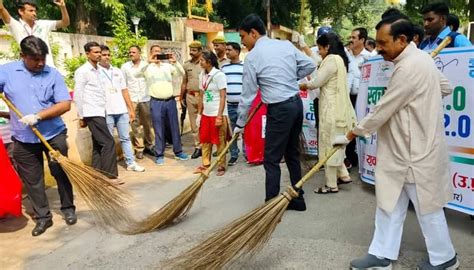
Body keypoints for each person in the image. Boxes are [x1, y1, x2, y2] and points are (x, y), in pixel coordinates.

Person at [344, 16, 458, 270]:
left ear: (402, 40)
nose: (379, 47)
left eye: (384, 43)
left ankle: (445, 258)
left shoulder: (411, 67)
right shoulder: (420, 61)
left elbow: (383, 109)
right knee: (389, 204)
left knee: (427, 209)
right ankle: (381, 255)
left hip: (414, 153)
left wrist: (352, 134)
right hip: (402, 150)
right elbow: (445, 87)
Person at [235, 14, 316, 210]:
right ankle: (298, 198)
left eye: (243, 36)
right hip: (296, 105)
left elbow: (247, 95)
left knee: (271, 158)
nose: (242, 41)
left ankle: (270, 204)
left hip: (279, 109)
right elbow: (311, 64)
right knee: (291, 153)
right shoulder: (285, 46)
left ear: (253, 33)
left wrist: (239, 124)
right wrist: (289, 77)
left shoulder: (253, 57)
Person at [0, 36, 76, 236]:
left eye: (42, 58)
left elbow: (64, 104)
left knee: (61, 172)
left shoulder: (53, 74)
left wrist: (38, 116)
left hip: (53, 134)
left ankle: (68, 208)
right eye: (35, 59)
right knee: (33, 180)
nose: (40, 63)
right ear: (22, 56)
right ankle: (43, 217)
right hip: (23, 138)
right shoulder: (6, 72)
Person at [300, 33, 356, 194]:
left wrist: (303, 86)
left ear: (327, 47)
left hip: (330, 110)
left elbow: (317, 82)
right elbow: (318, 62)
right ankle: (344, 175)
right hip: (338, 109)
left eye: (320, 49)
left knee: (328, 145)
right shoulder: (339, 60)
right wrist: (303, 46)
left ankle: (331, 184)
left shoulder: (331, 60)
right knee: (336, 143)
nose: (319, 52)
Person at [74, 41, 120, 181]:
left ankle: (97, 174)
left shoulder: (99, 70)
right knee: (108, 142)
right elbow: (78, 94)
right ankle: (109, 176)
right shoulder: (82, 71)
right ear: (87, 54)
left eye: (100, 52)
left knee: (98, 144)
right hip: (91, 112)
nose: (99, 55)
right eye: (96, 52)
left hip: (101, 110)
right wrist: (81, 115)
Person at [139, 44, 189, 165]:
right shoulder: (147, 67)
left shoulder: (167, 66)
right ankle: (159, 154)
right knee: (158, 128)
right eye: (155, 52)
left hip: (170, 100)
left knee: (174, 127)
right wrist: (148, 61)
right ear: (150, 53)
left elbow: (182, 73)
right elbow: (138, 74)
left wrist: (175, 62)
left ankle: (178, 152)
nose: (157, 54)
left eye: (159, 52)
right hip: (156, 101)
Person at [99, 45, 145, 173]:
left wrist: (130, 109)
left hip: (121, 110)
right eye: (104, 55)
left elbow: (125, 91)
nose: (106, 57)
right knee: (108, 141)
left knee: (125, 138)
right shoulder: (96, 72)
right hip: (107, 112)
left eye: (108, 55)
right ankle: (110, 166)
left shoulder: (117, 71)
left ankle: (131, 163)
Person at [0, 0, 70, 67]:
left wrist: (62, 7)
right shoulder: (16, 26)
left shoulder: (43, 24)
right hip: (30, 71)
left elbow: (65, 22)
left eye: (35, 11)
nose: (34, 13)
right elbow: (1, 9)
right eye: (31, 11)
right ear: (21, 11)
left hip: (48, 68)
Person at [194, 51, 229, 176]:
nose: (200, 62)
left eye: (202, 60)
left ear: (209, 61)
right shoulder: (202, 75)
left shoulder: (219, 75)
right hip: (206, 114)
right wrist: (199, 114)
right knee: (205, 139)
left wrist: (219, 116)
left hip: (217, 113)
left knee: (220, 141)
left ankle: (221, 165)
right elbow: (202, 96)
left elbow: (223, 97)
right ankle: (205, 164)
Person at [121, 45, 156, 159]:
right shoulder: (125, 67)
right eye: (130, 52)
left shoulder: (147, 65)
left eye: (134, 52)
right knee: (135, 124)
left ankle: (150, 145)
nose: (131, 54)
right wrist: (126, 102)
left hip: (145, 98)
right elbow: (123, 84)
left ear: (139, 53)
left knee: (148, 124)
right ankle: (139, 148)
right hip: (132, 99)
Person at [346, 27, 371, 169]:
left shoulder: (369, 57)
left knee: (359, 125)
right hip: (348, 96)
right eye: (351, 37)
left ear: (362, 40)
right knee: (348, 125)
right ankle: (349, 158)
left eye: (354, 37)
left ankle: (361, 157)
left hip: (362, 98)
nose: (351, 40)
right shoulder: (346, 56)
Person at [221, 42, 245, 166]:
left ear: (237, 51)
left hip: (243, 105)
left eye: (229, 50)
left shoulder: (246, 66)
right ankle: (234, 154)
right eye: (226, 50)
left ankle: (247, 153)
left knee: (246, 130)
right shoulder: (224, 68)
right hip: (229, 105)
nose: (227, 52)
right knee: (232, 131)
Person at [180, 41, 204, 159]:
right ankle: (197, 147)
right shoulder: (186, 65)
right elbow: (184, 82)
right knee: (194, 123)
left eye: (194, 50)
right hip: (190, 96)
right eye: (190, 50)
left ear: (200, 51)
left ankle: (207, 145)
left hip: (203, 96)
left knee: (205, 121)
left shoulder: (205, 63)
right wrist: (181, 97)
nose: (191, 52)